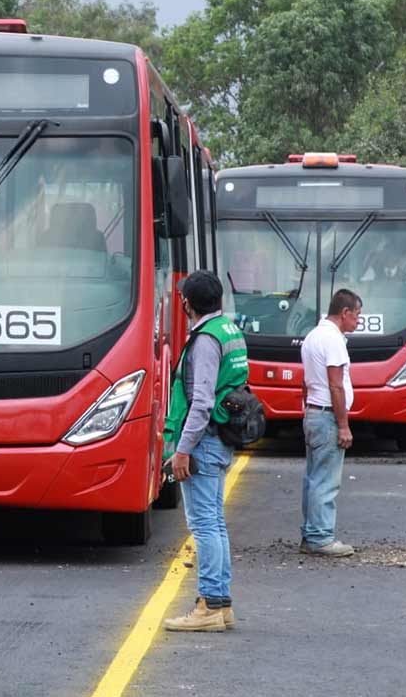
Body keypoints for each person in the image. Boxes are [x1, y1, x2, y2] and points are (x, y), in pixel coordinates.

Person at [162, 270, 249, 633]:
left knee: (203, 525)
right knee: (214, 522)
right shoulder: (230, 331)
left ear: (186, 304)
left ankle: (209, 604)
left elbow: (199, 402)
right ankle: (221, 603)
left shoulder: (205, 341)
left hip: (204, 440)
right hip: (220, 437)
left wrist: (182, 450)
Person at [298, 288, 361, 557]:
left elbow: (305, 380)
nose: (358, 322)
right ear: (344, 313)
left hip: (313, 413)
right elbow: (336, 386)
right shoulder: (333, 340)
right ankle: (321, 538)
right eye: (357, 316)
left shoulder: (313, 336)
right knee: (326, 480)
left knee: (313, 478)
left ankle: (311, 533)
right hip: (326, 416)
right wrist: (343, 424)